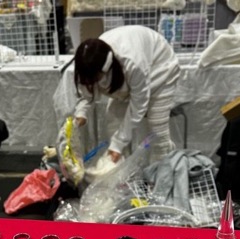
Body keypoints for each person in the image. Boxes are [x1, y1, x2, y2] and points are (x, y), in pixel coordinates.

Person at [73, 25, 180, 165]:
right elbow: (86, 91)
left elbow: (138, 106)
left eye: (96, 78)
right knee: (113, 122)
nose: (92, 83)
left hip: (160, 68)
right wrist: (81, 113)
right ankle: (122, 173)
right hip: (129, 72)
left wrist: (118, 143)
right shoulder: (89, 61)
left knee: (157, 132)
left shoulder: (133, 62)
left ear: (106, 68)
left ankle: (162, 172)